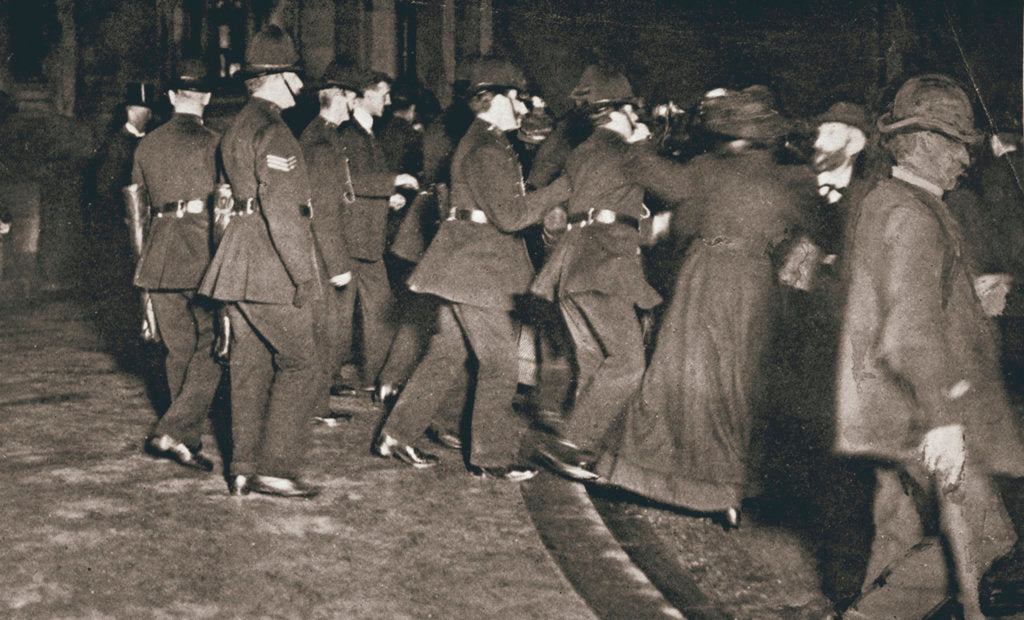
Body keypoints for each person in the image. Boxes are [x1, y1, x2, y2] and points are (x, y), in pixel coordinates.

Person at [834, 74, 1024, 619]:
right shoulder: (913, 216)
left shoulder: (892, 201)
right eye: (954, 144)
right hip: (921, 411)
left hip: (889, 405)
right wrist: (944, 421)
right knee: (985, 541)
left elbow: (903, 303)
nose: (964, 158)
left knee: (901, 532)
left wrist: (967, 299)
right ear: (919, 142)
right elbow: (909, 331)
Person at [592, 86, 817, 527]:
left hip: (708, 275)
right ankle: (726, 495)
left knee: (678, 371)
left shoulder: (708, 169)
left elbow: (662, 184)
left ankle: (650, 478)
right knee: (734, 383)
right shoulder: (790, 178)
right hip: (755, 283)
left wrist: (636, 139)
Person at [372, 57, 570, 480]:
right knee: (500, 363)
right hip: (475, 269)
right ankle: (491, 456)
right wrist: (562, 189)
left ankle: (396, 435)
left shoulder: (490, 142)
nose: (523, 108)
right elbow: (511, 217)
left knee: (446, 354)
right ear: (495, 99)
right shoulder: (486, 149)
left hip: (467, 266)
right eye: (517, 99)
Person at [197, 25, 321, 499]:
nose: (301, 86)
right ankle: (276, 468)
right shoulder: (275, 132)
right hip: (269, 263)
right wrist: (303, 275)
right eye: (296, 76)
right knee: (302, 362)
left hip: (237, 259)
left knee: (249, 365)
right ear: (278, 78)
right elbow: (283, 213)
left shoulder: (237, 126)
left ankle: (243, 467)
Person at [530, 67, 662, 480]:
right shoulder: (626, 152)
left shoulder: (583, 150)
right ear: (620, 111)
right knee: (627, 363)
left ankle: (588, 454)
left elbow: (606, 203)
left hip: (570, 268)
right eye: (633, 112)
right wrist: (644, 145)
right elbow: (670, 185)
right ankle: (571, 446)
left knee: (594, 363)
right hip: (603, 265)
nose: (637, 119)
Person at [132, 60, 223, 473]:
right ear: (207, 97)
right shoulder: (216, 143)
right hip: (203, 253)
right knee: (215, 347)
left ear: (170, 97)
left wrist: (142, 264)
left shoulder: (146, 145)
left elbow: (135, 209)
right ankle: (173, 431)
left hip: (158, 255)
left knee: (179, 350)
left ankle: (185, 440)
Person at [331, 65, 418, 394]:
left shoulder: (368, 134)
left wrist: (387, 198)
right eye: (383, 94)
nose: (388, 100)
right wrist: (394, 181)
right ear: (362, 96)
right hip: (351, 239)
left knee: (378, 309)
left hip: (366, 239)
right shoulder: (348, 135)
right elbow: (347, 181)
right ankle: (331, 380)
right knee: (344, 315)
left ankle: (380, 379)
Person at [298, 59, 357, 426]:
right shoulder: (320, 143)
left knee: (325, 330)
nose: (355, 103)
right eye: (352, 96)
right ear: (339, 96)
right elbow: (322, 211)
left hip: (321, 248)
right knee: (323, 330)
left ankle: (317, 403)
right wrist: (336, 264)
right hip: (319, 252)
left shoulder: (326, 135)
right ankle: (314, 406)